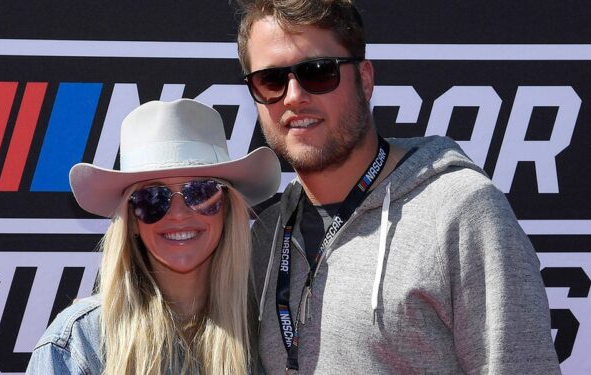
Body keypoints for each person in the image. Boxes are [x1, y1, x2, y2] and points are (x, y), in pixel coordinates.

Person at [236, 0, 562, 374]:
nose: (293, 96)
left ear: (365, 79)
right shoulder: (266, 235)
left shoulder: (459, 211)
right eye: (271, 79)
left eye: (318, 72)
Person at [25, 99, 281, 374]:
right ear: (131, 221)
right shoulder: (79, 343)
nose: (178, 213)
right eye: (153, 198)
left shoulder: (269, 338)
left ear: (228, 209)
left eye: (201, 192)